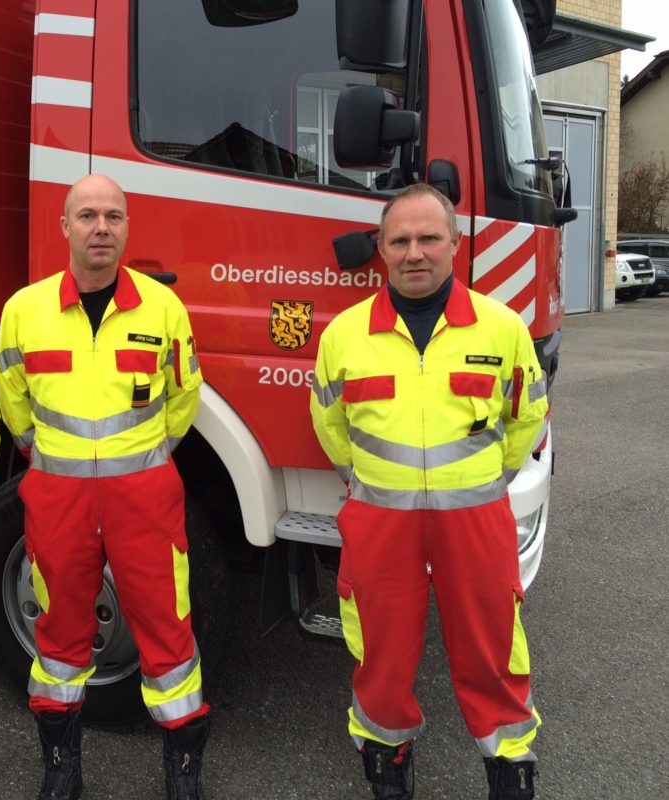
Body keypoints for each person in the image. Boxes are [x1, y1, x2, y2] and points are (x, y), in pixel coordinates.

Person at [309, 184, 548, 800]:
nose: (414, 252)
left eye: (428, 238)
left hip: (476, 519)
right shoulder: (344, 336)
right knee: (381, 652)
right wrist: (370, 481)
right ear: (382, 249)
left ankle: (510, 767)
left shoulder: (502, 328)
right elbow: (330, 426)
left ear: (455, 243)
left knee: (493, 649)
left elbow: (526, 417)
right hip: (380, 521)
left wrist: (482, 481)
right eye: (400, 241)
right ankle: (386, 764)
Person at [0, 175, 210, 800]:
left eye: (113, 216)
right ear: (65, 226)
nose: (101, 228)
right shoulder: (24, 310)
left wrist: (141, 458)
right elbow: (14, 402)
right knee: (59, 634)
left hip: (144, 497)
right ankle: (61, 767)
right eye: (87, 216)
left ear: (127, 228)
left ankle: (183, 771)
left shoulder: (162, 308)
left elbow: (183, 396)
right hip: (58, 498)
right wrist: (50, 456)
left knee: (167, 628)